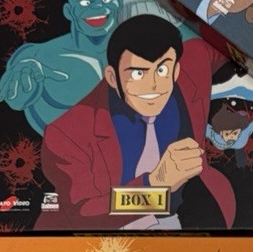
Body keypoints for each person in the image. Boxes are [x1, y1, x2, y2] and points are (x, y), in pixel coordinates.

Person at [37, 14, 237, 230]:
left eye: (162, 70)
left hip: (189, 220)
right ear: (112, 77)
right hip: (106, 235)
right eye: (138, 73)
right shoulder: (66, 133)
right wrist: (156, 185)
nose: (153, 86)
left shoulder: (195, 59)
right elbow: (84, 212)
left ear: (176, 70)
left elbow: (229, 39)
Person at [0, 0, 122, 135]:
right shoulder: (38, 56)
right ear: (69, 11)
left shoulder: (138, 53)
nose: (98, 6)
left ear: (119, 3)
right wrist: (26, 80)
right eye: (86, 2)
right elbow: (15, 100)